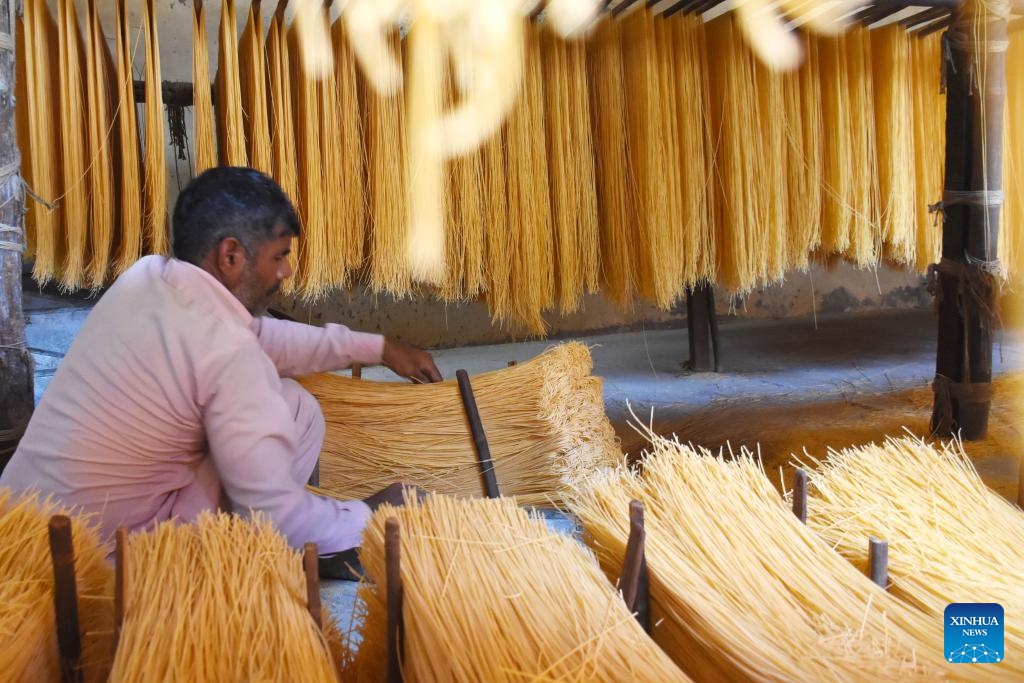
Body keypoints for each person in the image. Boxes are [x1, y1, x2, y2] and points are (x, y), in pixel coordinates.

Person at [1, 167, 441, 577]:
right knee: (281, 421)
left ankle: (307, 540)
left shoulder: (147, 277)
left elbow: (257, 337)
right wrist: (371, 516)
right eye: (280, 256)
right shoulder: (227, 352)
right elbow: (275, 513)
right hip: (97, 571)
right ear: (231, 254)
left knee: (296, 406)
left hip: (18, 529)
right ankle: (246, 560)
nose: (286, 271)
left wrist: (379, 348)